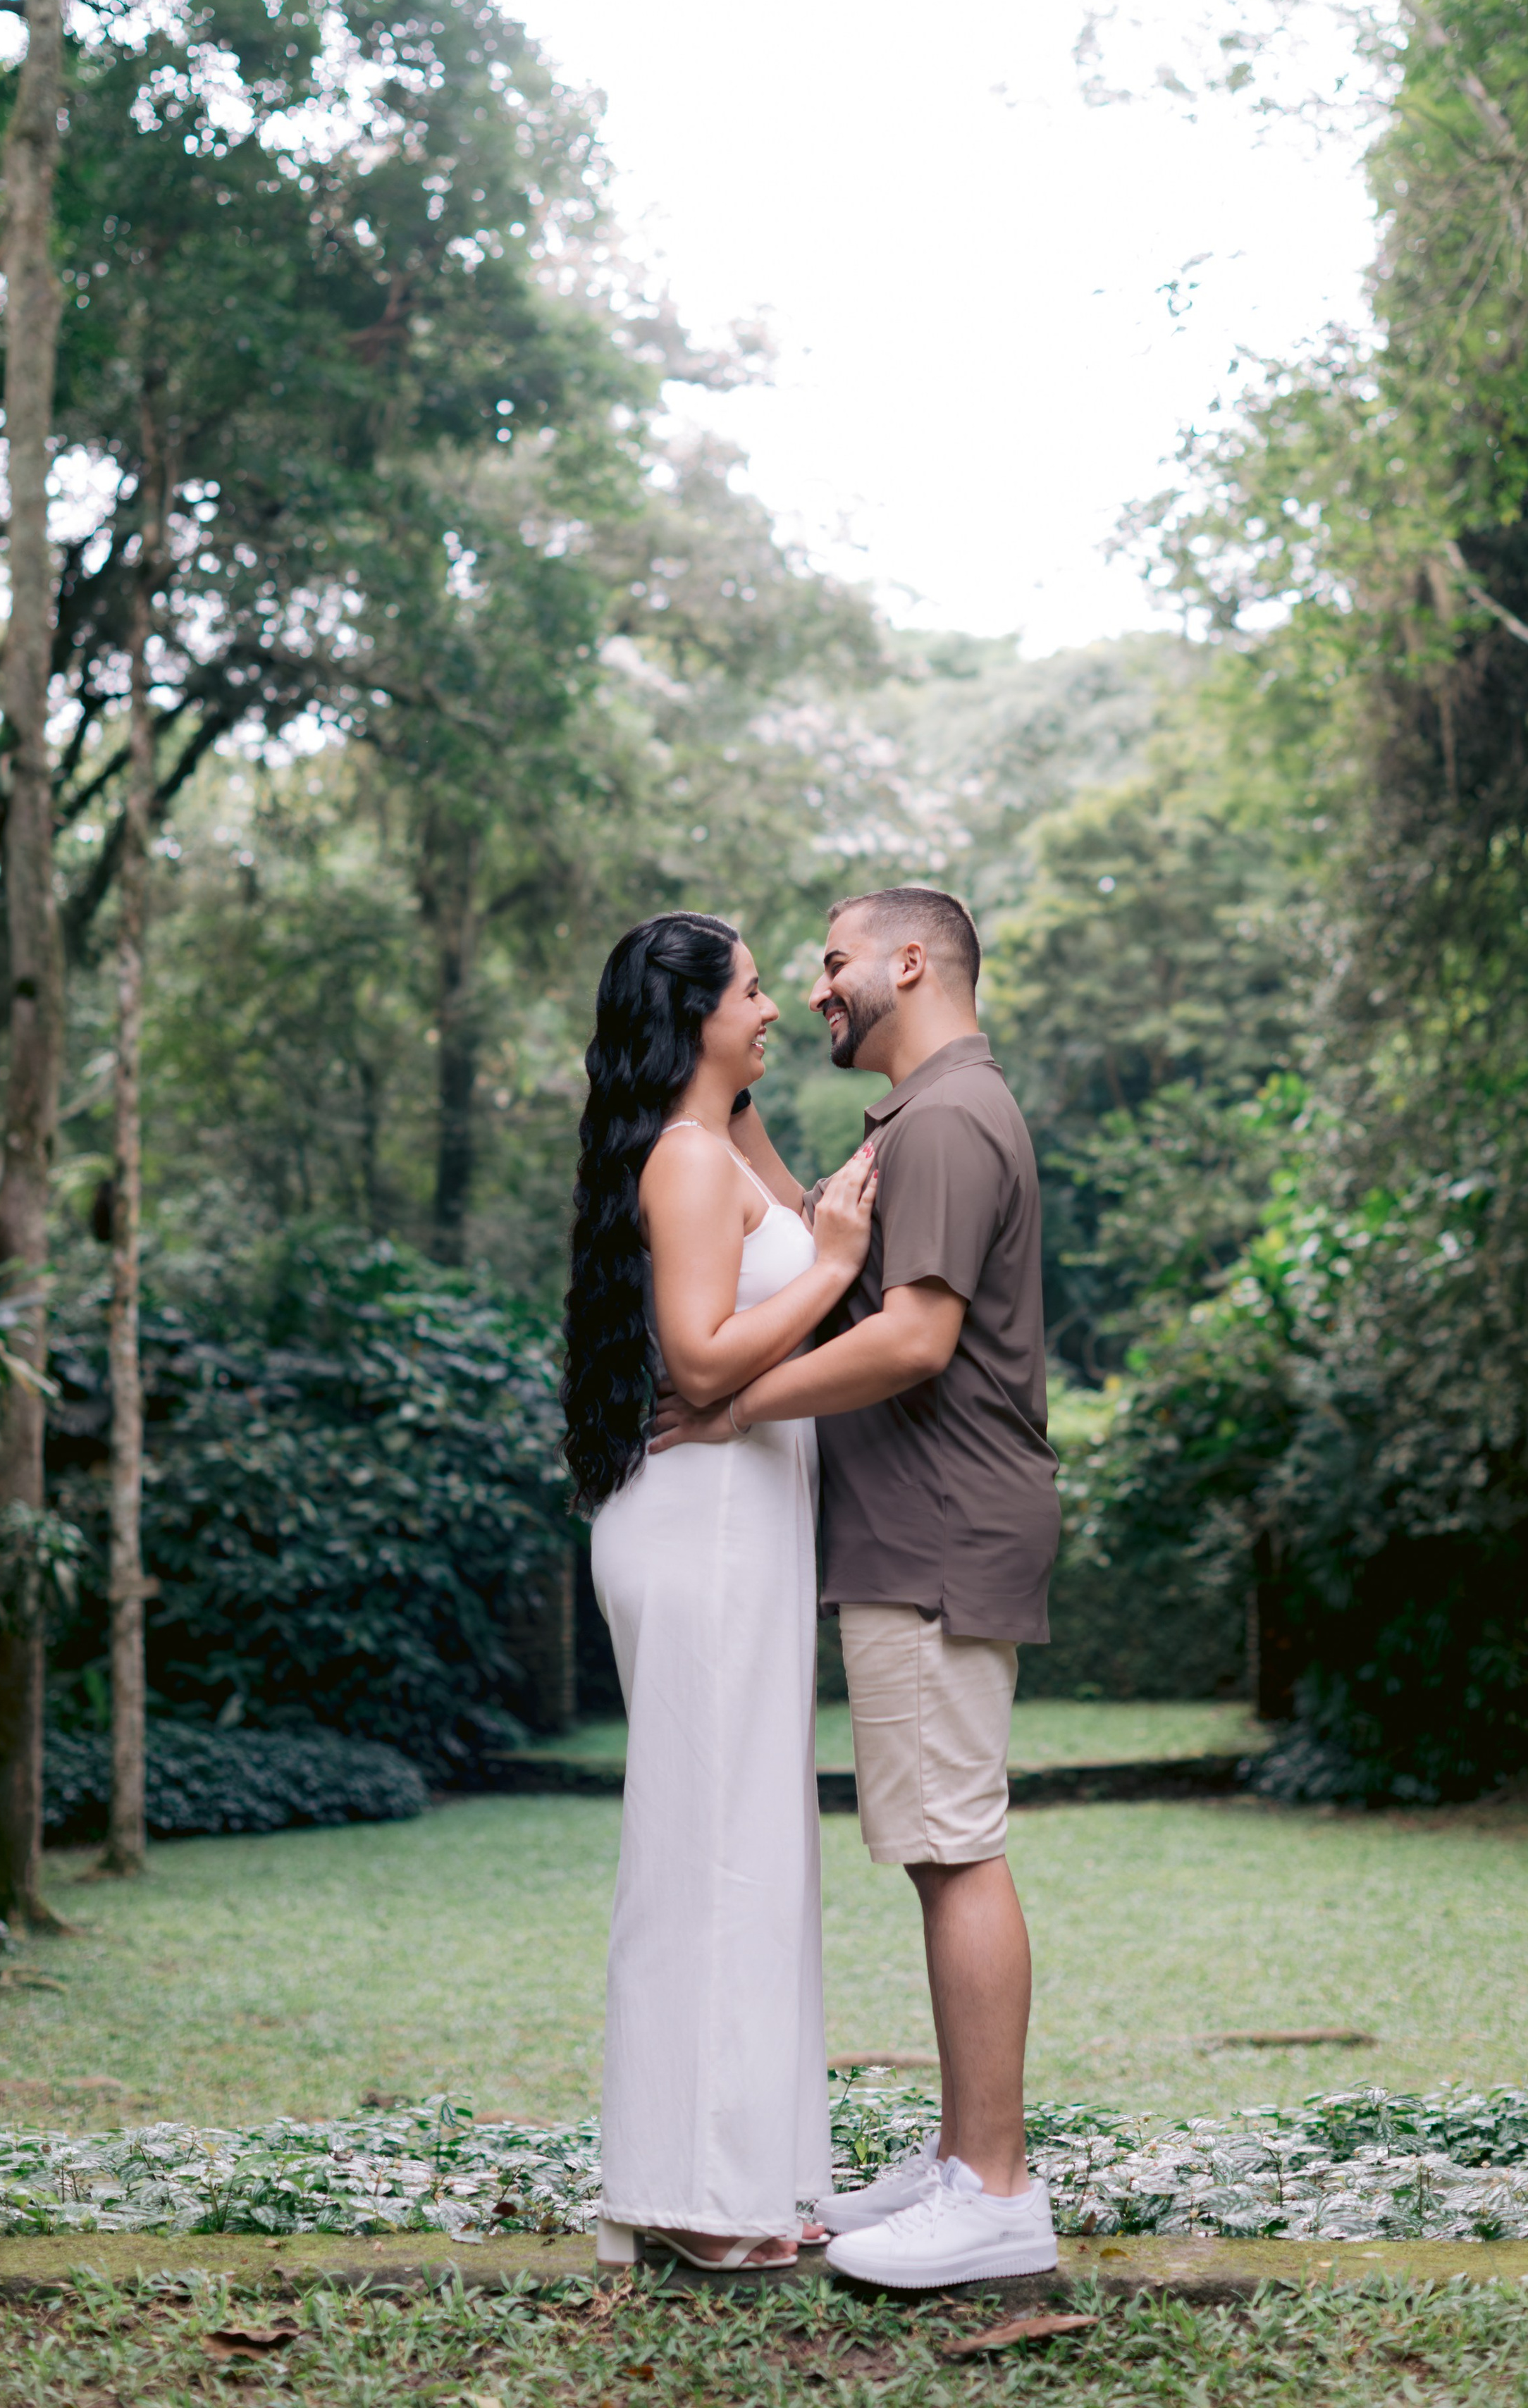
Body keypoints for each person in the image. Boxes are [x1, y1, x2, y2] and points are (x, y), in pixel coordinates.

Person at [652, 884, 1061, 2290]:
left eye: (829, 963)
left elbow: (910, 1340)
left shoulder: (947, 1118)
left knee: (954, 1844)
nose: (816, 989)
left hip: (940, 1531)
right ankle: (961, 2162)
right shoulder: (917, 1116)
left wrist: (732, 1403)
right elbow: (806, 1240)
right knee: (937, 1842)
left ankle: (994, 2190)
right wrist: (727, 1090)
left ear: (909, 958)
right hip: (916, 1534)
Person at [565, 911, 877, 2273]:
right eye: (753, 991)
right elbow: (701, 1365)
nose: (776, 1006)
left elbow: (796, 1221)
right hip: (700, 1534)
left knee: (748, 1843)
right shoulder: (681, 1161)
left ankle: (732, 2176)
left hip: (734, 1529)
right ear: (693, 1015)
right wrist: (841, 1270)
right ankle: (694, 2196)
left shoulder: (712, 1140)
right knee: (710, 1852)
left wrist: (814, 1228)